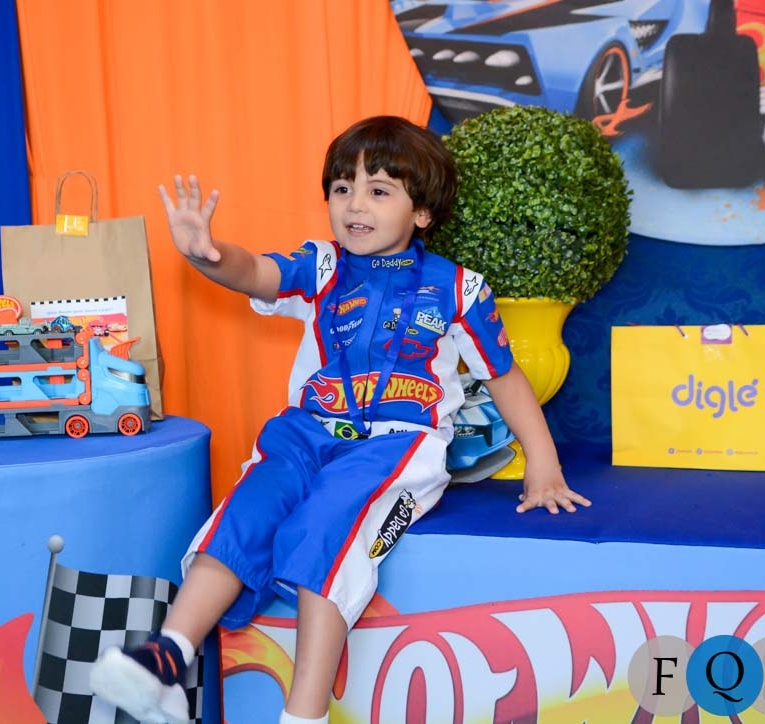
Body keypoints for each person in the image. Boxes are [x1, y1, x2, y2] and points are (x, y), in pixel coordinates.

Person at [89, 115, 591, 724]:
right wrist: (208, 255)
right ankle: (168, 658)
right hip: (308, 433)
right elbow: (256, 272)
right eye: (342, 188)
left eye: (379, 191)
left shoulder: (459, 289)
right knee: (249, 506)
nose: (355, 204)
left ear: (422, 213)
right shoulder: (323, 267)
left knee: (326, 524)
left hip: (399, 449)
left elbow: (504, 376)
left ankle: (305, 714)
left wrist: (543, 462)